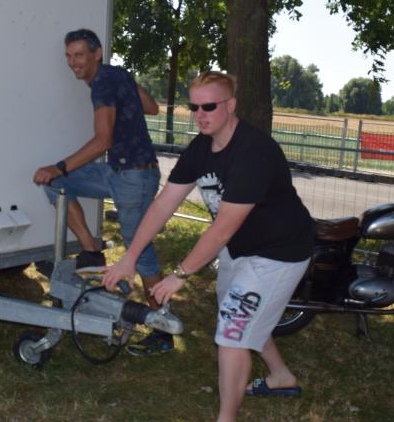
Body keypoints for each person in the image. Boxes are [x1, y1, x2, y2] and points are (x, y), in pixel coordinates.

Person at [103, 71, 314, 421]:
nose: (200, 114)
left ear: (230, 106)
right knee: (238, 316)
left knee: (231, 333)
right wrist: (130, 257)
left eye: (209, 106)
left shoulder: (254, 151)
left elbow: (222, 230)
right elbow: (163, 205)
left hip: (278, 252)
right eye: (194, 107)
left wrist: (180, 275)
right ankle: (280, 376)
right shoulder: (201, 148)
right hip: (241, 248)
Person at [32, 28, 174, 356]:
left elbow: (103, 140)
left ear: (96, 54)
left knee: (139, 249)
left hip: (133, 177)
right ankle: (91, 249)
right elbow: (151, 106)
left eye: (79, 55)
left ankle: (163, 328)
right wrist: (127, 87)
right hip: (119, 172)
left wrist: (60, 166)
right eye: (68, 56)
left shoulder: (103, 83)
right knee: (56, 185)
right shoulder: (116, 75)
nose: (73, 63)